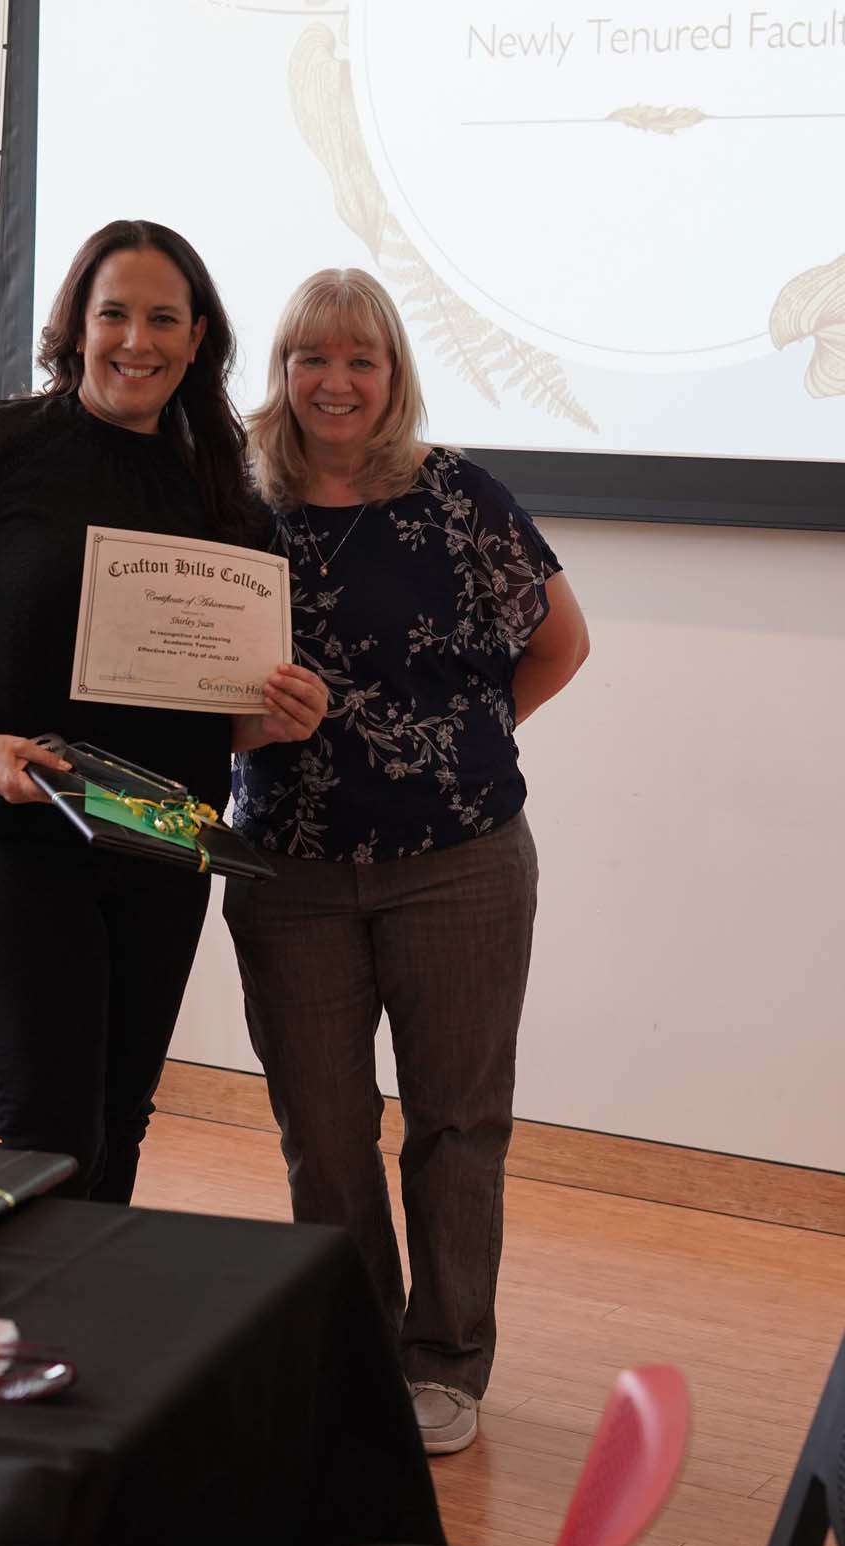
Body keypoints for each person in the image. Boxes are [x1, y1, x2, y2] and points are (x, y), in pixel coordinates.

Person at [0, 220, 326, 1200]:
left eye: (164, 319)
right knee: (53, 1139)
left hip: (161, 843)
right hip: (7, 840)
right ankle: (3, 1309)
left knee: (117, 1124)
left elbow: (207, 707)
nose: (136, 341)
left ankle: (89, 1308)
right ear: (76, 325)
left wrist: (273, 715)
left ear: (198, 338)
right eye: (114, 314)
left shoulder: (223, 490)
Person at [224, 270, 590, 1454]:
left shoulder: (458, 494)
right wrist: (245, 727)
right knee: (322, 1127)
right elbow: (184, 680)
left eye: (360, 359)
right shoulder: (234, 505)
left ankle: (445, 1361)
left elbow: (562, 642)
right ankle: (355, 1345)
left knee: (457, 1121)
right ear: (281, 369)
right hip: (288, 865)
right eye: (311, 357)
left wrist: (456, 746)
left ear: (393, 373)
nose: (334, 381)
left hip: (461, 861)